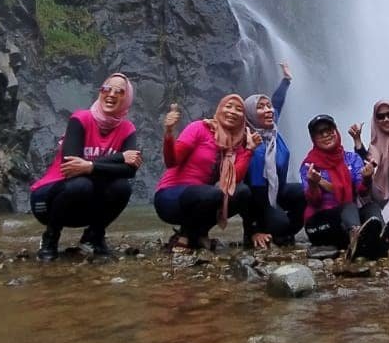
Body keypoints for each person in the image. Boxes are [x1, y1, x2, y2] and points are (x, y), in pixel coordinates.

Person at [30, 72, 141, 260]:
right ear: (100, 92)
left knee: (122, 187)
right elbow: (70, 164)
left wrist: (89, 166)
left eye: (119, 91)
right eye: (107, 89)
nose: (112, 94)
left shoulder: (127, 129)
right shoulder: (80, 119)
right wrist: (119, 157)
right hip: (47, 201)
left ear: (127, 98)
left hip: (84, 207)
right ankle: (50, 238)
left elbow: (130, 170)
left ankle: (93, 237)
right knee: (81, 184)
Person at [154, 95, 258, 250]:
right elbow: (171, 161)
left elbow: (234, 178)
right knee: (212, 195)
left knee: (242, 192)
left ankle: (195, 233)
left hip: (205, 198)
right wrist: (169, 133)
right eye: (228, 106)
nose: (233, 111)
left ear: (243, 117)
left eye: (239, 109)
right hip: (171, 197)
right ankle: (188, 235)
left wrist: (248, 151)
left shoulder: (237, 143)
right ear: (219, 109)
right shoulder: (199, 128)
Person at [301, 114, 389, 260]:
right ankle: (356, 237)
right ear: (313, 138)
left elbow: (361, 192)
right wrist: (313, 184)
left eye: (329, 130)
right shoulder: (310, 165)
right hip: (319, 226)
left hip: (345, 222)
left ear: (336, 131)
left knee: (371, 208)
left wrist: (367, 178)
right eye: (320, 132)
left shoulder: (351, 158)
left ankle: (381, 238)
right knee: (348, 206)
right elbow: (314, 202)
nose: (326, 135)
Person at [243, 61, 306, 248]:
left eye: (267, 106)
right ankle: (257, 232)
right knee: (281, 225)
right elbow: (253, 191)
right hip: (257, 198)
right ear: (251, 115)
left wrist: (286, 79)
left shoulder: (271, 129)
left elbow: (277, 102)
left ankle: (280, 231)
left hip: (278, 189)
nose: (268, 110)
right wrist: (254, 227)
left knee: (304, 192)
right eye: (260, 107)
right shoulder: (250, 140)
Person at [348, 99, 389, 250]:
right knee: (358, 198)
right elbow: (369, 163)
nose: (386, 119)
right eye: (380, 116)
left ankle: (376, 242)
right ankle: (356, 232)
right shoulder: (377, 142)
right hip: (380, 191)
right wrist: (357, 141)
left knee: (388, 222)